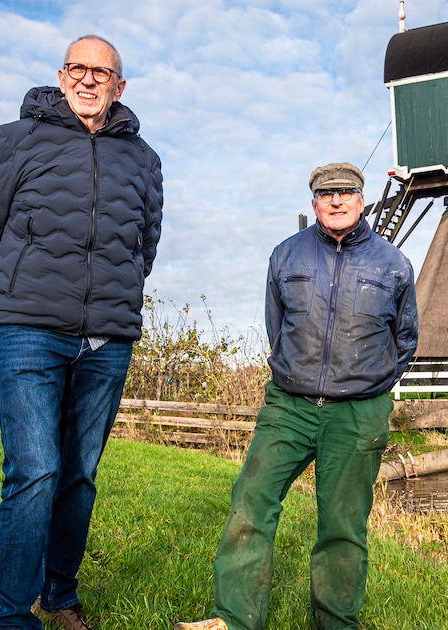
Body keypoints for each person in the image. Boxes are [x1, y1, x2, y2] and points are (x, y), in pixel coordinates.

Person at [0, 34, 163, 630]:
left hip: (107, 338)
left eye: (101, 72)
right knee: (35, 468)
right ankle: (12, 616)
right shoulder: (14, 140)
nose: (88, 79)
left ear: (119, 86)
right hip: (28, 330)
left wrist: (112, 293)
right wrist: (14, 293)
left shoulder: (143, 158)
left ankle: (60, 592)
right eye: (77, 68)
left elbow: (144, 244)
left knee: (78, 473)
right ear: (60, 75)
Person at [175, 163, 418, 630]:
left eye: (346, 192)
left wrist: (372, 388)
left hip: (357, 414)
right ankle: (233, 619)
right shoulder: (285, 256)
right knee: (251, 502)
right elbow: (277, 327)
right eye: (326, 194)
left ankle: (335, 624)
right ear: (314, 204)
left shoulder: (393, 264)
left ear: (361, 200)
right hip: (289, 407)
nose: (336, 200)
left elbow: (405, 339)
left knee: (343, 528)